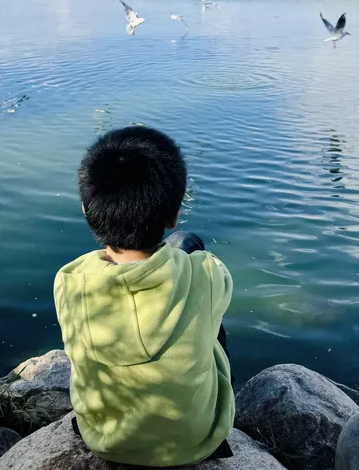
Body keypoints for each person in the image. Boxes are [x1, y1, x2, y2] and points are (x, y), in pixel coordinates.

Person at [54, 126, 235, 468]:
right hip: (193, 443)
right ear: (174, 215)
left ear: (86, 209)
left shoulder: (69, 280)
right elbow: (208, 288)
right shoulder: (209, 274)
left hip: (104, 439)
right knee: (192, 254)